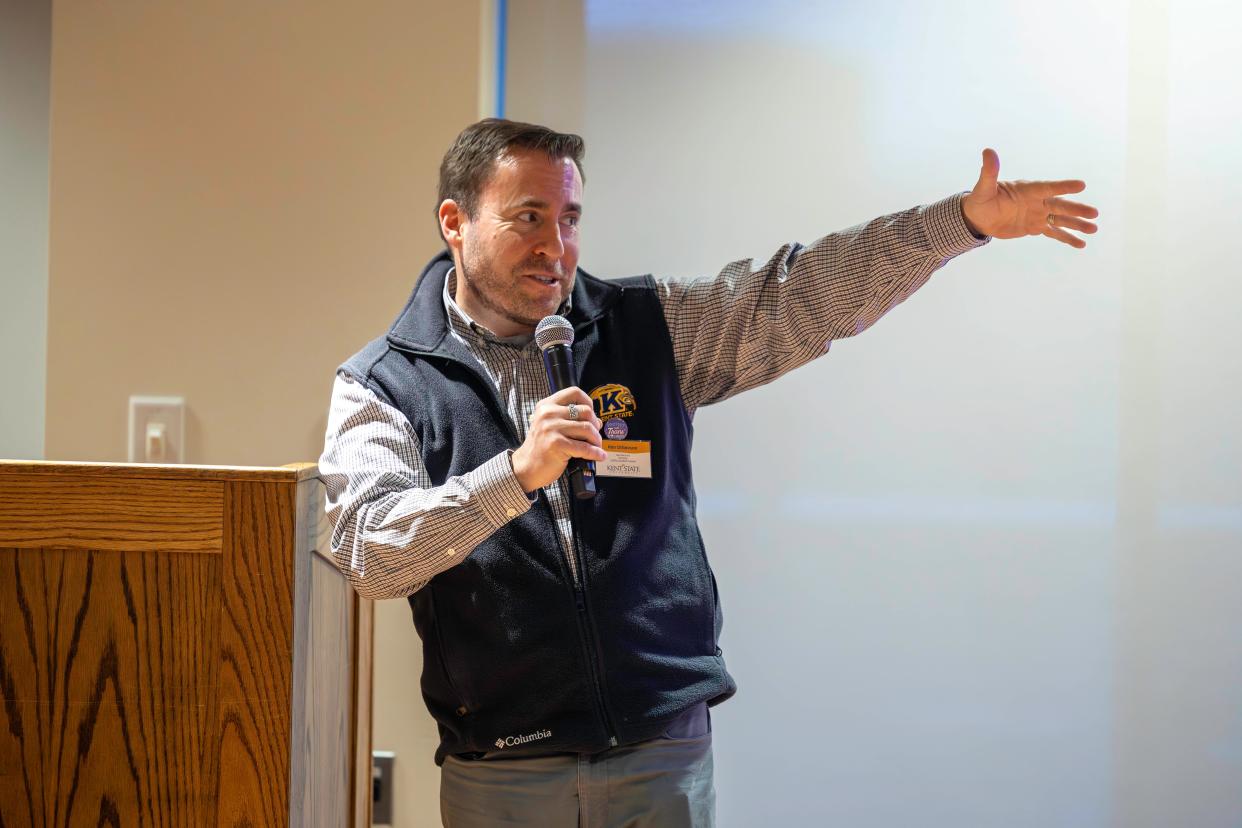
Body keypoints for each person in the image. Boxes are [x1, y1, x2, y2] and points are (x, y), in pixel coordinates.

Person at [319, 118, 1098, 827]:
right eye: (527, 217)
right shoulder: (383, 383)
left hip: (661, 752)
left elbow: (801, 295)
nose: (554, 246)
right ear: (455, 223)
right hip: (503, 769)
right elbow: (367, 553)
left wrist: (955, 224)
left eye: (569, 218)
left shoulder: (645, 326)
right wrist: (516, 473)